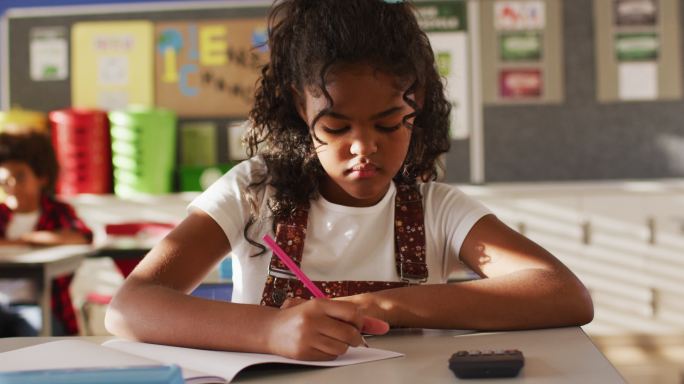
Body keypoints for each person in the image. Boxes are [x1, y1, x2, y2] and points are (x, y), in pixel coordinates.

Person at [106, 0, 593, 361]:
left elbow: (563, 294)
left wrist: (378, 305)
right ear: (301, 106)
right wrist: (270, 332)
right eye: (336, 128)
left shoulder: (435, 209)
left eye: (387, 124)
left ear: (416, 104)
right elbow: (130, 308)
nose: (364, 147)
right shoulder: (256, 192)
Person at [0, 131, 93, 335]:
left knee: (40, 331)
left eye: (20, 178)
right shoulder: (1, 214)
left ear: (42, 177)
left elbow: (80, 238)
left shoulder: (58, 212)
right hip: (1, 304)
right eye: (5, 181)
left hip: (42, 306)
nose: (12, 187)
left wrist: (23, 240)